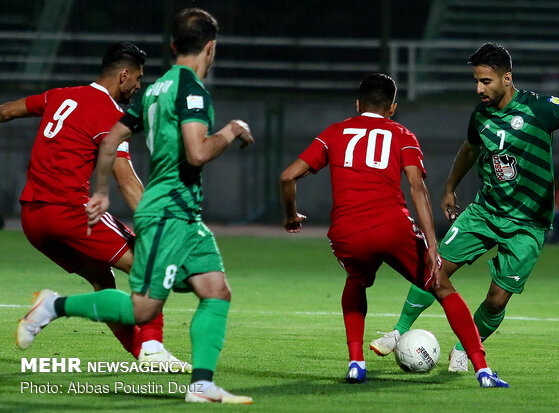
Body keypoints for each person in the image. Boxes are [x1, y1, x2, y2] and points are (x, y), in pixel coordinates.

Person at [16, 8, 254, 404]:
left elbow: (109, 142)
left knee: (216, 290)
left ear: (174, 45)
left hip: (179, 215)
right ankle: (56, 307)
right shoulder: (191, 91)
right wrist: (230, 131)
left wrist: (101, 190)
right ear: (210, 48)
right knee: (143, 306)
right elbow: (195, 154)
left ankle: (201, 385)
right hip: (169, 210)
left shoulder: (153, 91)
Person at [369, 43, 559, 373]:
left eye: (486, 81)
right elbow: (469, 150)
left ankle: (465, 348)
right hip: (485, 213)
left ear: (507, 78)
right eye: (476, 81)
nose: (479, 88)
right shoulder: (480, 116)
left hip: (528, 224)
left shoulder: (539, 107)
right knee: (433, 268)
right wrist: (450, 187)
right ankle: (397, 331)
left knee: (496, 299)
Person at [280, 72, 508, 388]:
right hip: (392, 226)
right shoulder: (401, 134)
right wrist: (431, 243)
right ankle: (483, 370)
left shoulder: (334, 133)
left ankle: (356, 363)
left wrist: (291, 215)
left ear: (358, 104)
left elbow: (287, 177)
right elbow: (417, 187)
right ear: (392, 108)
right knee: (441, 286)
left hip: (348, 232)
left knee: (355, 281)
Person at [3, 41, 188, 371]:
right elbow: (126, 181)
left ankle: (140, 354)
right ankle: (152, 347)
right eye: (138, 78)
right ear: (123, 75)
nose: (137, 86)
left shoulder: (58, 96)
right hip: (69, 213)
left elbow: (5, 111)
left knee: (104, 281)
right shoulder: (110, 114)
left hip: (32, 219)